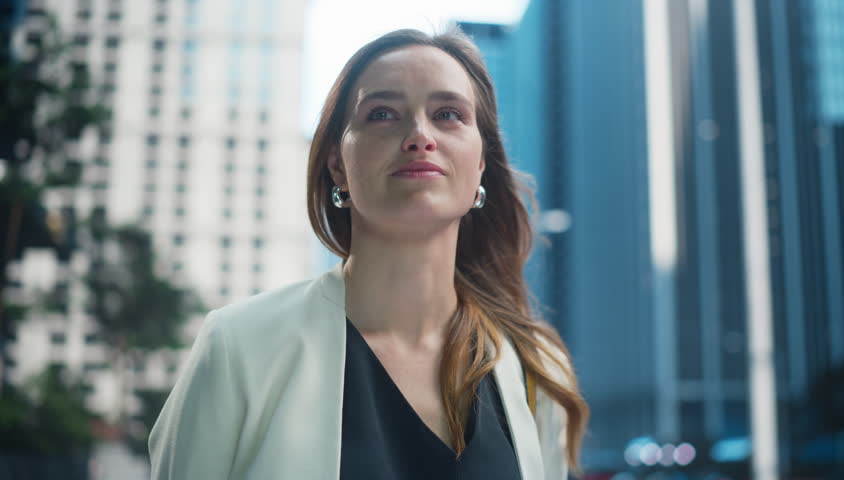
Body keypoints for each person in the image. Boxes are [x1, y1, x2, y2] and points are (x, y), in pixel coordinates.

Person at [149, 27, 589, 479]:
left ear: (480, 163)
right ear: (337, 163)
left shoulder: (536, 370)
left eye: (447, 114)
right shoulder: (238, 347)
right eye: (381, 113)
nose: (420, 135)